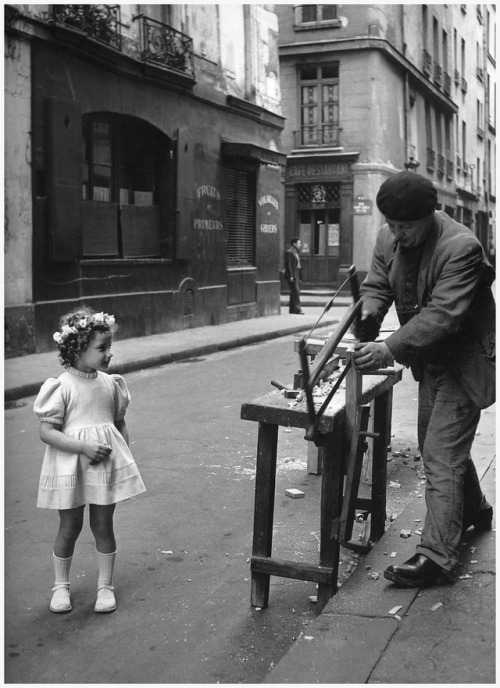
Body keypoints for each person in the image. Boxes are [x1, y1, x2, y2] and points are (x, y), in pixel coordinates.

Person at [352, 171, 495, 588]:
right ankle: (476, 510)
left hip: (464, 362)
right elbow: (378, 283)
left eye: (406, 227)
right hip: (429, 362)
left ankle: (437, 557)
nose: (397, 235)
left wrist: (387, 349)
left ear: (430, 215)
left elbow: (441, 316)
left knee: (440, 453)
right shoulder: (388, 237)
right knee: (440, 445)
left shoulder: (461, 247)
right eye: (392, 226)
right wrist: (369, 312)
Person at [34, 306, 146, 613]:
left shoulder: (110, 384)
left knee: (103, 524)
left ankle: (105, 587)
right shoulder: (63, 386)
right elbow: (47, 432)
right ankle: (60, 586)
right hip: (72, 465)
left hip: (103, 467)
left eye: (109, 346)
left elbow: (119, 422)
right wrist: (82, 448)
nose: (109, 353)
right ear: (78, 349)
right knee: (69, 526)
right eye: (102, 348)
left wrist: (124, 454)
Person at [284, 237, 304, 314]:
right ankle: (298, 309)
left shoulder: (296, 252)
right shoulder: (289, 252)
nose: (300, 245)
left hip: (297, 275)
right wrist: (291, 276)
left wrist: (300, 277)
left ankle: (292, 310)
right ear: (294, 244)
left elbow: (299, 265)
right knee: (296, 292)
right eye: (299, 243)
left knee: (294, 292)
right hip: (293, 276)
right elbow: (288, 265)